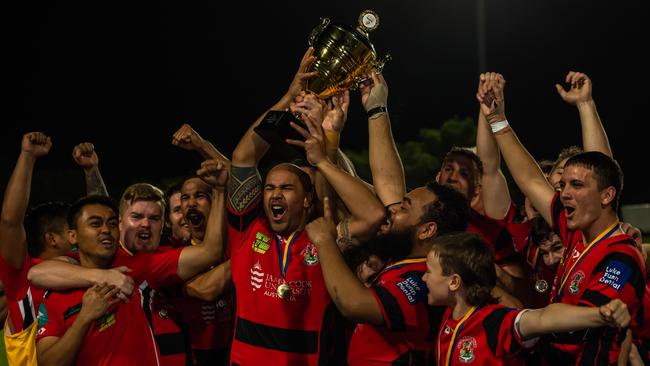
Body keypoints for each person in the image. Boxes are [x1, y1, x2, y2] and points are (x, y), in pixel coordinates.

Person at [479, 71, 646, 363]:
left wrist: (523, 323)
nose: (563, 193)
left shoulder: (622, 256)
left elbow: (581, 322)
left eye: (576, 185)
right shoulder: (574, 233)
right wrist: (498, 120)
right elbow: (531, 179)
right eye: (563, 184)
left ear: (607, 197)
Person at [35, 160, 227, 365]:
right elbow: (36, 273)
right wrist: (102, 278)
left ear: (164, 225)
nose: (145, 224)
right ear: (122, 222)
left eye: (154, 218)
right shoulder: (80, 271)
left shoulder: (156, 259)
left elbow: (210, 257)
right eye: (136, 217)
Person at [306, 179, 469, 365]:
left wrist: (325, 241)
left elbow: (354, 305)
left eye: (404, 208)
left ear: (426, 230)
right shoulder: (401, 259)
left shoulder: (424, 279)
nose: (394, 210)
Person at [422, 231, 632, 366]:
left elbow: (543, 318)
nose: (424, 278)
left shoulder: (495, 321)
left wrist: (599, 314)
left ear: (454, 282)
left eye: (429, 271)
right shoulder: (450, 316)